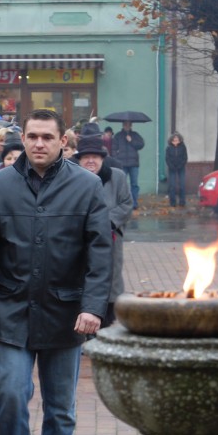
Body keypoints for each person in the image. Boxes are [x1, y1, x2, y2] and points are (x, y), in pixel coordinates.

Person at [0, 108, 112, 435]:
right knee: (12, 396)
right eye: (32, 137)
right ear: (23, 139)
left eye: (47, 137)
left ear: (63, 141)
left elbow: (100, 253)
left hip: (66, 314)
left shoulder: (87, 186)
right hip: (12, 311)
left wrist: (93, 306)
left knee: (61, 410)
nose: (39, 143)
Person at [73, 136, 133, 328]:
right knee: (82, 279)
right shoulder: (71, 178)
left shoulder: (118, 177)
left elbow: (126, 204)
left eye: (95, 157)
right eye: (86, 157)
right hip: (79, 240)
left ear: (102, 158)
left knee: (110, 281)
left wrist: (105, 222)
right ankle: (85, 328)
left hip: (110, 238)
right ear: (79, 159)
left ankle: (105, 326)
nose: (91, 160)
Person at [111, 120, 145, 209]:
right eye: (125, 124)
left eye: (128, 124)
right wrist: (116, 159)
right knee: (122, 184)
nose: (127, 126)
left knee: (134, 184)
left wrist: (131, 140)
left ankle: (134, 203)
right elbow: (113, 149)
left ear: (131, 125)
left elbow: (141, 145)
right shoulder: (118, 136)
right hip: (122, 164)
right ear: (123, 125)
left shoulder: (135, 135)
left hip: (134, 164)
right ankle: (122, 203)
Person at [165, 131, 189, 207]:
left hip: (181, 168)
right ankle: (172, 202)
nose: (176, 141)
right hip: (172, 168)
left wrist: (180, 165)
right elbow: (167, 159)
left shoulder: (183, 147)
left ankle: (182, 201)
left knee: (182, 185)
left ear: (180, 140)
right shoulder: (169, 148)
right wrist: (171, 166)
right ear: (171, 140)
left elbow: (185, 158)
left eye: (177, 140)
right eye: (174, 140)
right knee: (172, 186)